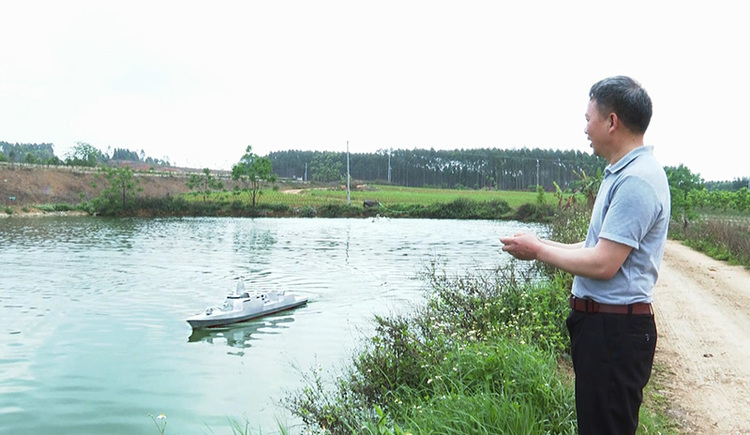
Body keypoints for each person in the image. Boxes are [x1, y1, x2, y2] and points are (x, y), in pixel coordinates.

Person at [500, 76, 670, 434]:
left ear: (612, 122)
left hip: (614, 332)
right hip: (605, 330)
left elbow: (603, 264)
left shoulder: (636, 180)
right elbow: (595, 246)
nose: (585, 128)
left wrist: (540, 251)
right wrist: (539, 245)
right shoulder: (621, 174)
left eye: (589, 117)